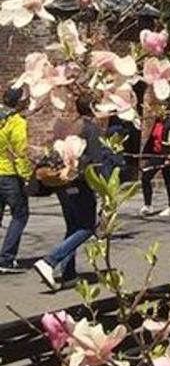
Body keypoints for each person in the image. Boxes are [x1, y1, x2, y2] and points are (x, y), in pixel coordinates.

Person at [33, 98, 104, 291]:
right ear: (93, 108)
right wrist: (103, 187)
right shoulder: (91, 129)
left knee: (73, 226)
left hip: (61, 183)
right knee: (87, 227)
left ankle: (69, 274)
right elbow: (95, 162)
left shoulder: (71, 126)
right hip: (79, 183)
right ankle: (49, 261)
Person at [0, 87, 31, 273]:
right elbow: (20, 151)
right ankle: (6, 258)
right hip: (9, 174)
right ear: (18, 102)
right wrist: (26, 175)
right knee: (20, 214)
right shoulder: (16, 121)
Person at [140, 110, 170, 216]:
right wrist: (146, 155)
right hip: (156, 154)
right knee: (145, 177)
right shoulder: (157, 122)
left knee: (168, 180)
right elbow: (152, 139)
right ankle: (148, 205)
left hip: (168, 154)